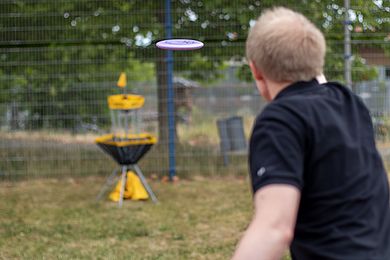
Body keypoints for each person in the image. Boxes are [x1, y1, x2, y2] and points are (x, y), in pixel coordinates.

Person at [232, 7, 390, 260]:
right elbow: (317, 79)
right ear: (317, 60)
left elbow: (275, 229)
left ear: (256, 71)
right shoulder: (349, 103)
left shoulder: (279, 121)